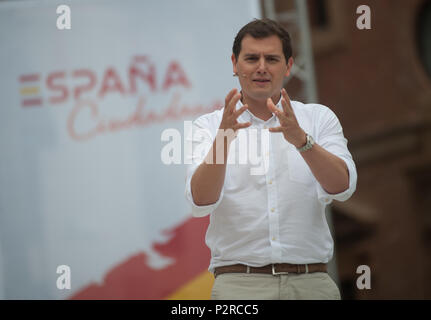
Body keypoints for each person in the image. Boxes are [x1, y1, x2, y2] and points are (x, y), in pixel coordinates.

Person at [185, 18, 357, 300]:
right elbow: (200, 201)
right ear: (234, 64)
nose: (262, 67)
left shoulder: (317, 118)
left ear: (288, 66)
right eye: (252, 58)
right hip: (240, 285)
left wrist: (302, 141)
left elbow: (343, 187)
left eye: (272, 59)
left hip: (312, 281)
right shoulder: (208, 126)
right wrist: (224, 139)